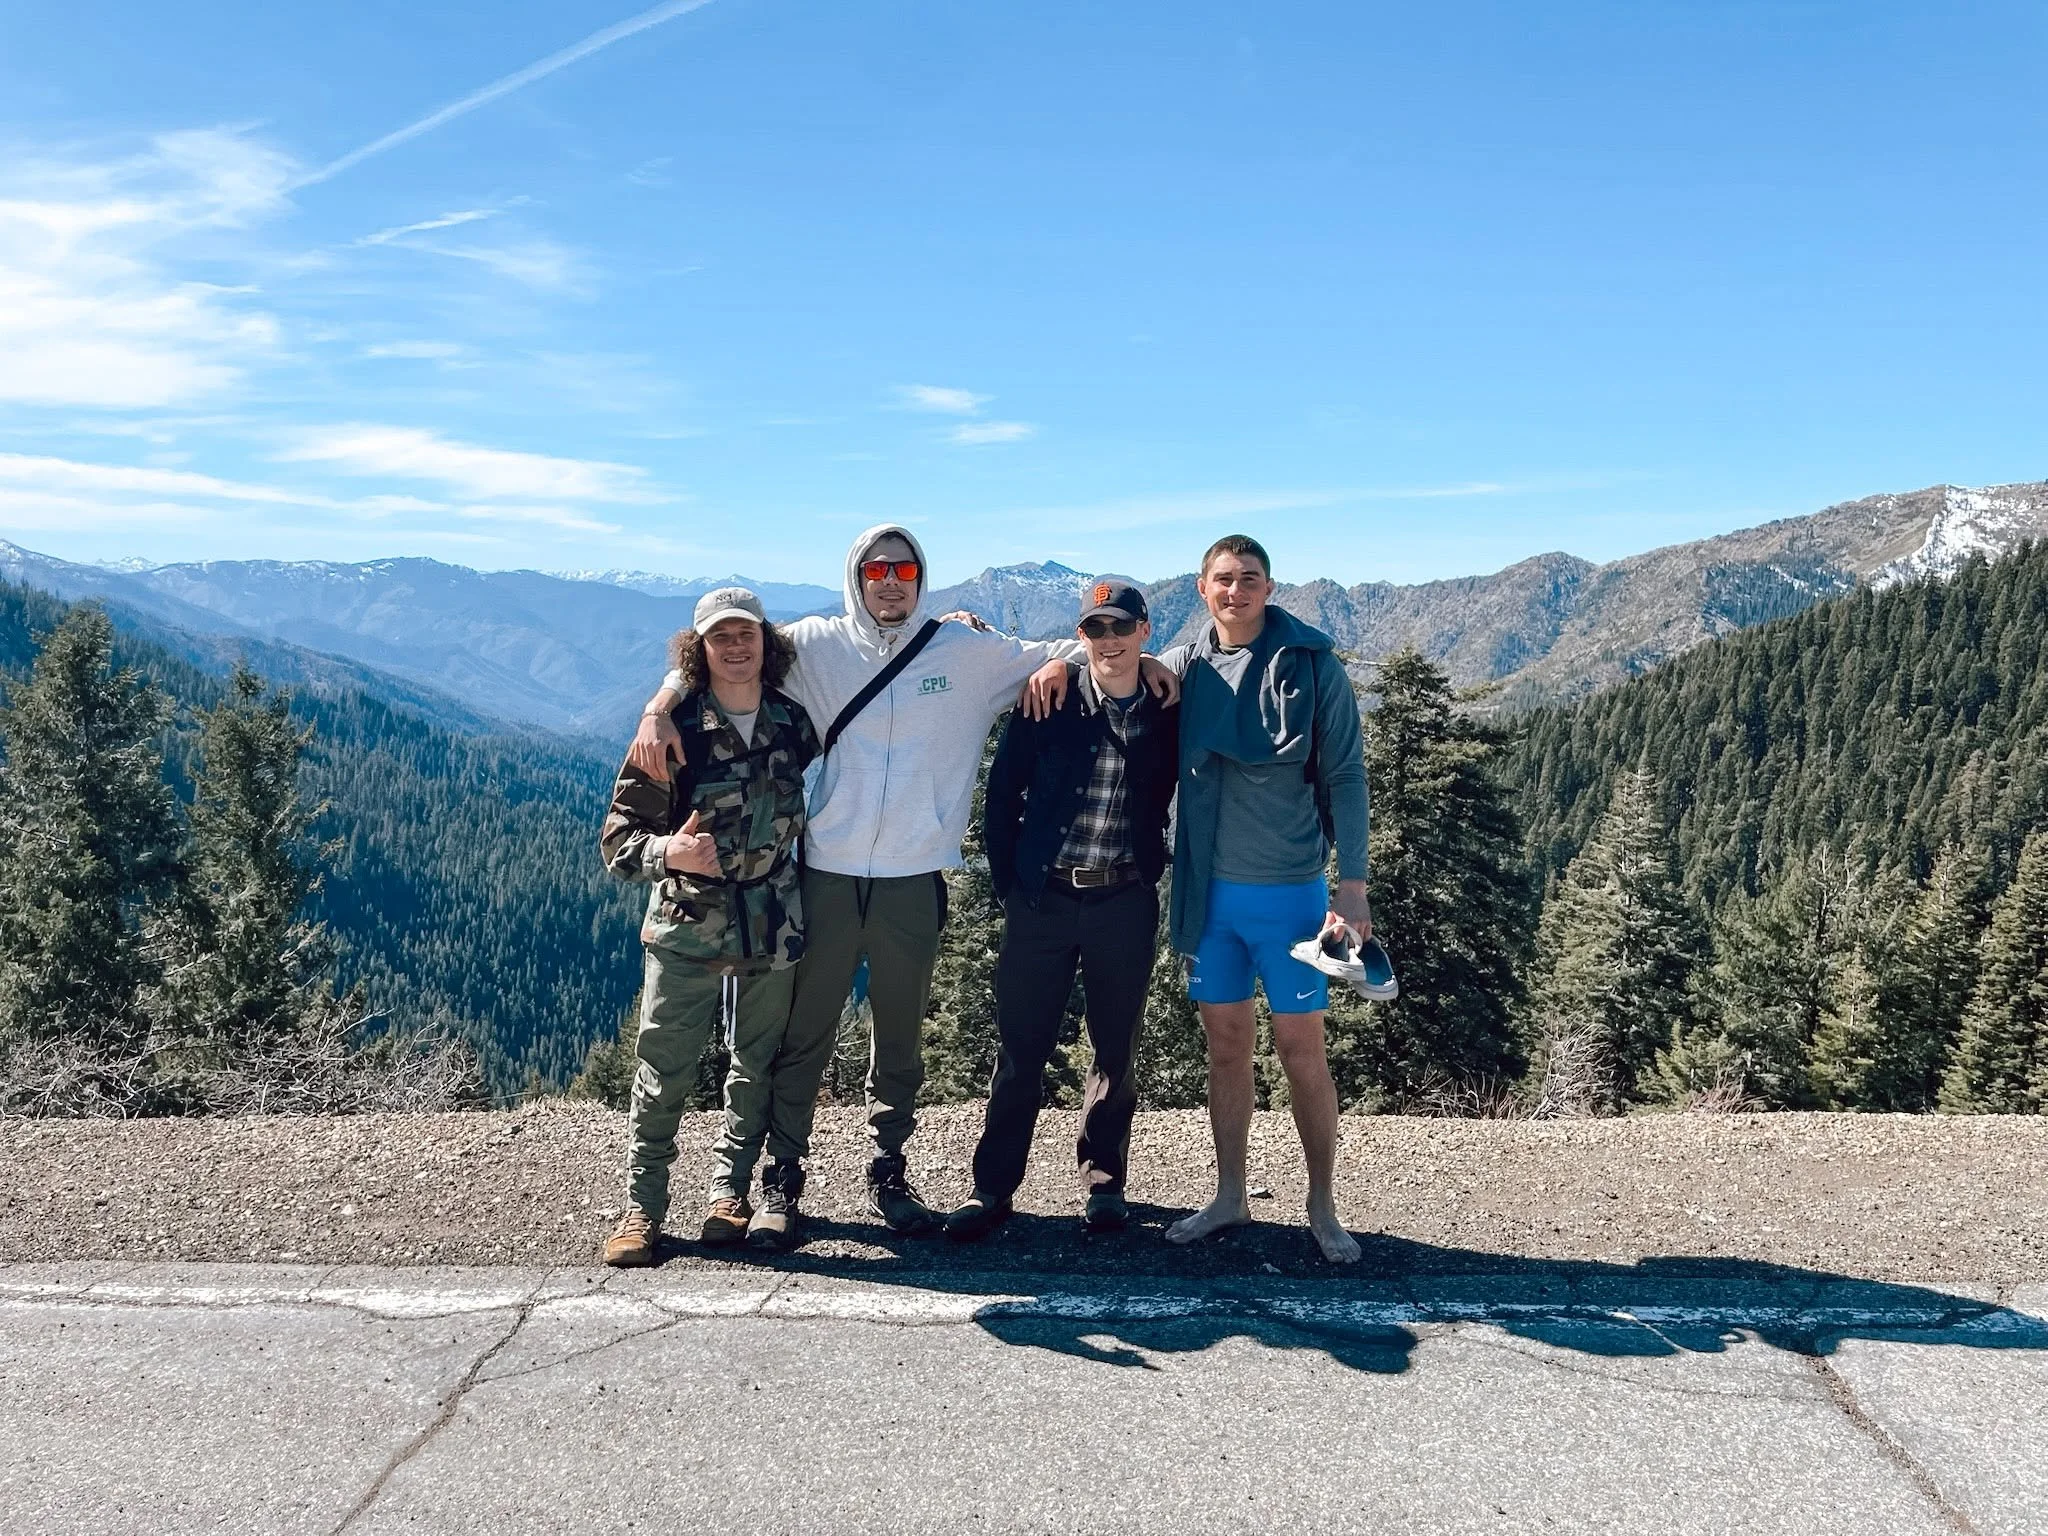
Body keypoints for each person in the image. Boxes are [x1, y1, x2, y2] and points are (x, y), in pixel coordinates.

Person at [628, 526, 1179, 1234]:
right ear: (857, 577)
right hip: (826, 870)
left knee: (900, 1042)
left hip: (913, 876)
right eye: (877, 568)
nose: (891, 580)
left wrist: (1151, 657)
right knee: (805, 1036)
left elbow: (1088, 654)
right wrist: (657, 704)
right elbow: (725, 659)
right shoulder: (814, 645)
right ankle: (782, 1181)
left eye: (905, 568)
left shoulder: (966, 652)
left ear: (921, 577)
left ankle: (887, 1170)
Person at [1122, 534, 1371, 1263]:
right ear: (1203, 588)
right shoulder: (1183, 665)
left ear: (1269, 586)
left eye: (1250, 580)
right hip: (1210, 897)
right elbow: (1114, 669)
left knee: (1302, 1050)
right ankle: (1230, 1196)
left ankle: (1322, 1207)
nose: (1237, 592)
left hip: (1294, 895)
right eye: (1224, 580)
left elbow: (1348, 776)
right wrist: (1048, 661)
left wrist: (1351, 888)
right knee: (1226, 1049)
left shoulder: (1312, 664)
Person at [944, 580, 1180, 1241]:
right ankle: (991, 1188)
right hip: (1044, 898)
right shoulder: (1048, 699)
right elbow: (1002, 795)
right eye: (1095, 629)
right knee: (1022, 1049)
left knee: (1115, 1050)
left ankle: (1104, 1184)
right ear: (1081, 636)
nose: (1109, 639)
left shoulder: (1166, 705)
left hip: (1124, 896)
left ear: (1144, 631)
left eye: (1121, 627)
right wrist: (1013, 886)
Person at [597, 587, 819, 1265]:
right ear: (700, 650)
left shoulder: (792, 723)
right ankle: (643, 1209)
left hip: (772, 922)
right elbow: (617, 842)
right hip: (687, 926)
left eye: (745, 634)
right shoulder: (672, 732)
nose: (736, 647)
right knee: (663, 1071)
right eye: (720, 638)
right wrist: (670, 852)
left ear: (765, 641)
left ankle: (731, 1194)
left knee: (755, 1067)